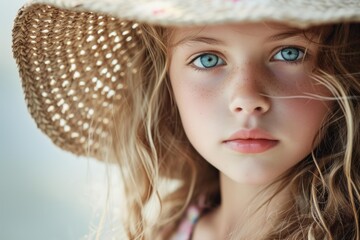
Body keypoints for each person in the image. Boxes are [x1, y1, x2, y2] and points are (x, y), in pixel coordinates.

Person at [12, 0, 360, 239]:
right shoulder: (171, 231)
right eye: (208, 59)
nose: (246, 98)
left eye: (289, 53)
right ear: (166, 84)